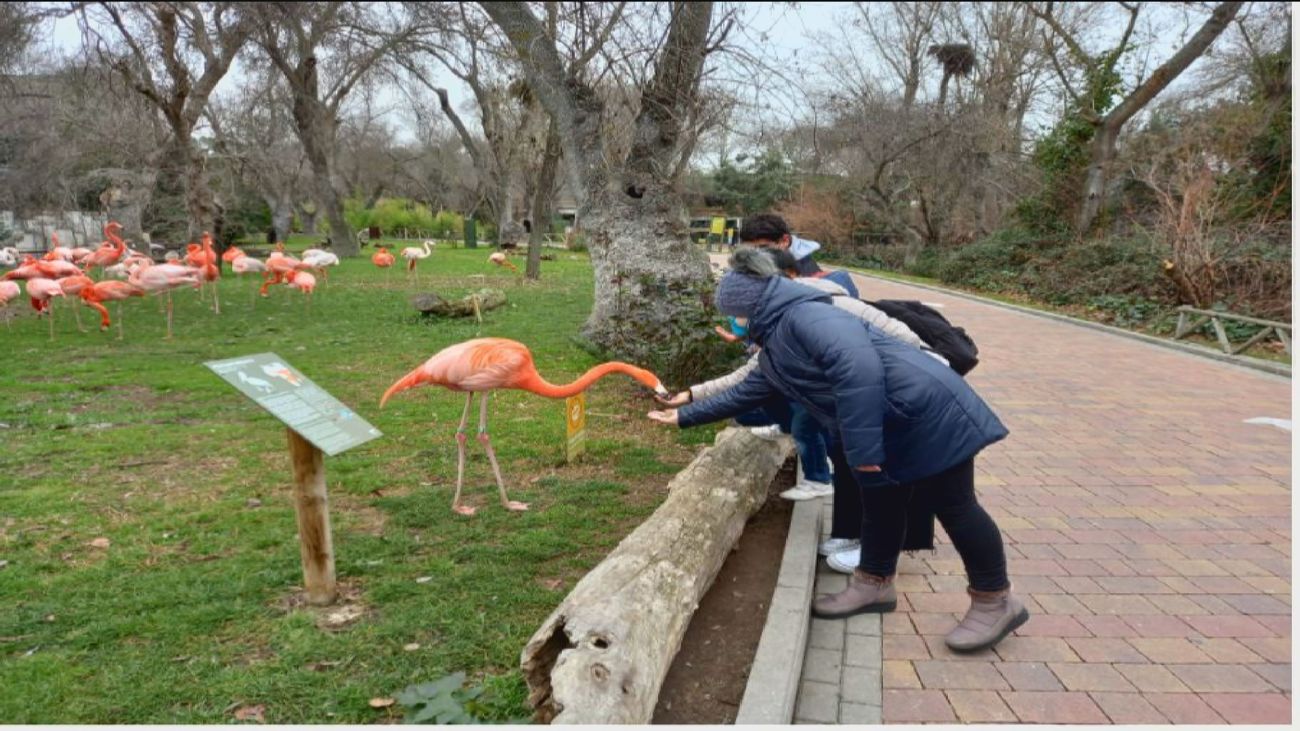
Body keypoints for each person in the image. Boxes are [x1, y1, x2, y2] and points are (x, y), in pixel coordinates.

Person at [647, 254, 1027, 653]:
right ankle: (873, 583)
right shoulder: (778, 338)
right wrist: (684, 416)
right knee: (880, 501)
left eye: (734, 314)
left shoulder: (808, 318)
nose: (733, 323)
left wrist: (863, 449)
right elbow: (750, 389)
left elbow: (857, 368)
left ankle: (995, 600)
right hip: (892, 419)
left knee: (955, 507)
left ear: (751, 309)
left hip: (925, 413)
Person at [736, 213, 860, 298]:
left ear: (784, 241)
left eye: (763, 248)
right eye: (749, 250)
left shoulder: (834, 282)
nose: (755, 256)